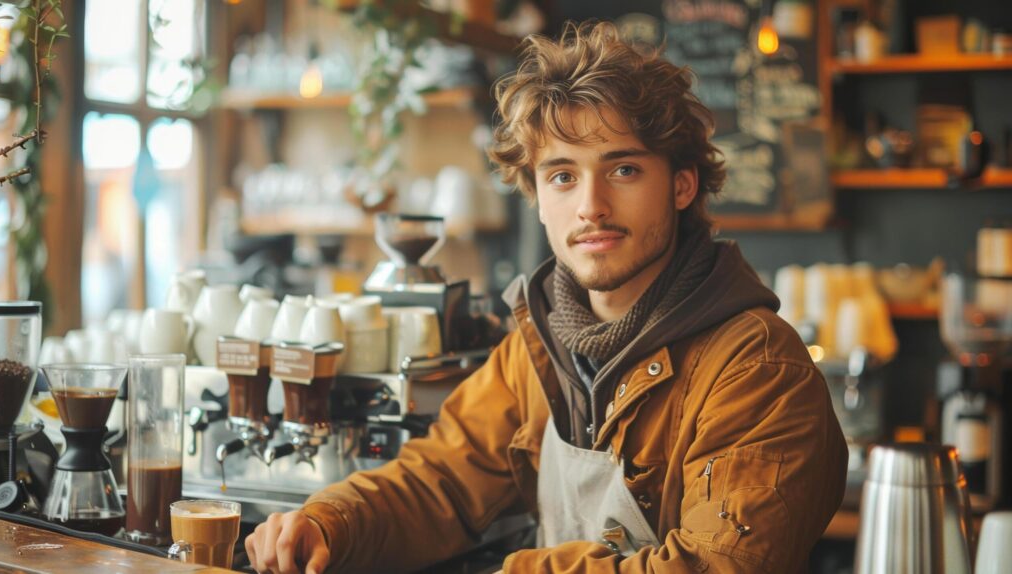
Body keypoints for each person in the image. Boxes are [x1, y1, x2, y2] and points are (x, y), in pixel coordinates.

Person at [245, 21, 848, 574]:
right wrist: (331, 521)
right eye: (562, 175)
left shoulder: (757, 366)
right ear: (536, 194)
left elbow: (717, 567)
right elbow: (443, 483)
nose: (590, 206)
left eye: (624, 170)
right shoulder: (539, 343)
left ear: (683, 185)